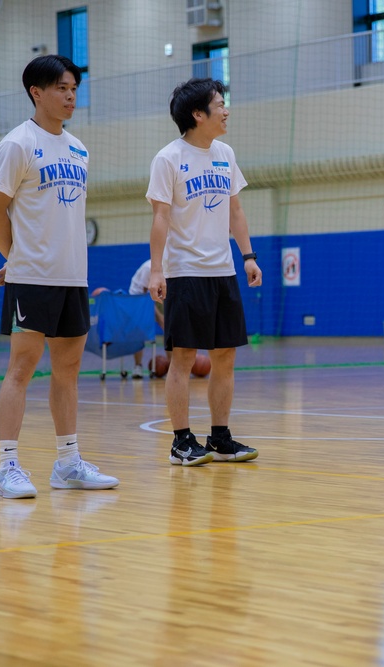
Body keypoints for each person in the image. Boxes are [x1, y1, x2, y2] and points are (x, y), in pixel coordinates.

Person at [0, 55, 120, 498]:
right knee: (21, 368)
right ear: (36, 93)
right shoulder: (16, 145)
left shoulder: (79, 149)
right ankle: (7, 467)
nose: (70, 96)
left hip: (73, 277)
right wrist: (17, 258)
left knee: (68, 371)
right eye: (61, 88)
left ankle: (68, 464)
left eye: (74, 89)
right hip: (33, 278)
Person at [146, 77, 263, 466]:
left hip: (222, 271)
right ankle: (181, 440)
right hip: (184, 272)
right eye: (219, 104)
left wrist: (248, 256)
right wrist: (157, 270)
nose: (226, 110)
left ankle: (220, 438)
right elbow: (160, 217)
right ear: (198, 114)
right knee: (182, 357)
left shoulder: (225, 153)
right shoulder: (168, 158)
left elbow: (236, 210)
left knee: (225, 355)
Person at [127, 258, 165, 378]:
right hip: (138, 300)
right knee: (139, 333)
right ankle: (138, 366)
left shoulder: (171, 266)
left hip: (158, 297)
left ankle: (172, 365)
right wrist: (159, 317)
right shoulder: (148, 268)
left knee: (170, 328)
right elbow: (146, 299)